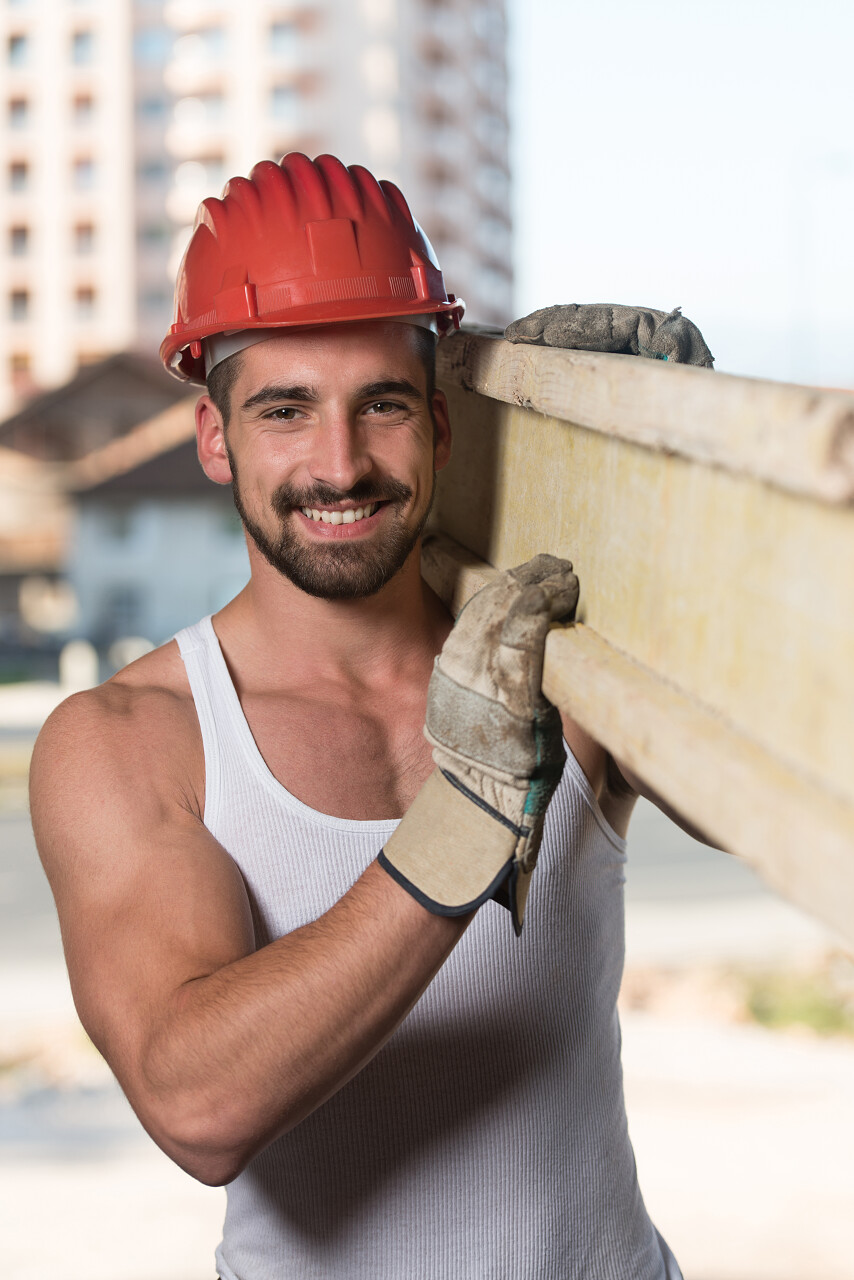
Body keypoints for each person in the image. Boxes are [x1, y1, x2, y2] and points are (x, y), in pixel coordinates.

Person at [30, 153, 704, 1279]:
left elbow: (789, 793)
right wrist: (469, 815)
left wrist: (666, 474)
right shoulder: (136, 740)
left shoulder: (558, 658)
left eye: (380, 403)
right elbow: (197, 1101)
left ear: (438, 424)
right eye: (284, 410)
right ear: (214, 438)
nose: (338, 464)